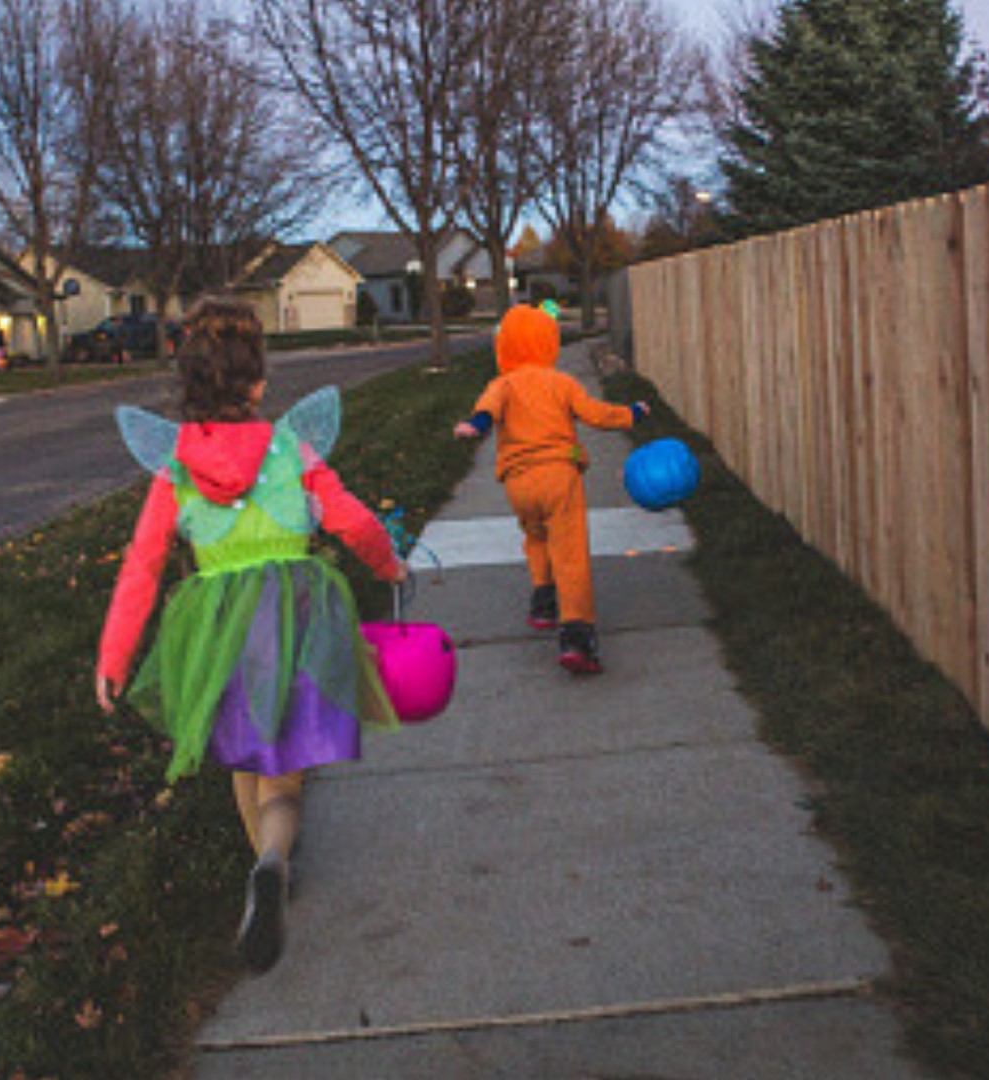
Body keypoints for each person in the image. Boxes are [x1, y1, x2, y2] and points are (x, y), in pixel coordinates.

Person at [95, 298, 406, 973]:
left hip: (218, 631)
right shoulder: (292, 450)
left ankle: (264, 871)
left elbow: (143, 563)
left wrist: (115, 655)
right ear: (259, 383)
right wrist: (388, 563)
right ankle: (273, 859)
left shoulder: (175, 469)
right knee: (284, 783)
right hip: (295, 618)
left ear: (189, 386)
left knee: (244, 756)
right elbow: (352, 522)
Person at [453, 304, 646, 674]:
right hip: (559, 476)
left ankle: (543, 598)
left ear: (504, 346)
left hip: (519, 484)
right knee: (569, 552)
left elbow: (487, 410)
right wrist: (633, 413)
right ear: (549, 344)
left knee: (536, 536)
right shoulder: (562, 383)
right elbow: (597, 414)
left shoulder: (502, 384)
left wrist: (475, 426)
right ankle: (576, 636)